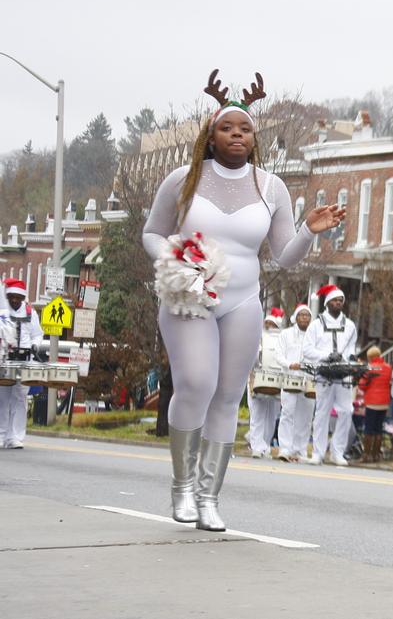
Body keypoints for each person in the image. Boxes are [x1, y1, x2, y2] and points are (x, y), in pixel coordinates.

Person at [142, 71, 345, 531]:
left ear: (255, 139)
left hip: (243, 302)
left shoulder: (271, 187)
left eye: (245, 129)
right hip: (189, 294)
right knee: (194, 383)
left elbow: (285, 258)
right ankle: (182, 487)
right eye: (227, 128)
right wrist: (176, 257)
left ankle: (209, 495)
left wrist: (310, 231)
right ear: (210, 137)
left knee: (228, 396)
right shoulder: (183, 178)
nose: (237, 134)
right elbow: (152, 232)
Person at [302, 284, 358, 466]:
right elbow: (307, 350)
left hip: (343, 373)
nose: (338, 303)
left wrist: (350, 357)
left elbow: (351, 349)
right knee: (322, 412)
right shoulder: (316, 325)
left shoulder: (350, 326)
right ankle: (318, 452)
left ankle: (337, 451)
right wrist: (326, 356)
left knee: (346, 410)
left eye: (340, 300)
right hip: (323, 372)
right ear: (327, 303)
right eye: (334, 300)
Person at [0, 279, 43, 449]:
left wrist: (35, 345)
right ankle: (1, 434)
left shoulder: (30, 312)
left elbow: (37, 334)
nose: (15, 300)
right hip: (5, 360)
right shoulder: (2, 312)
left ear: (22, 297)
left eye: (18, 297)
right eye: (12, 297)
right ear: (8, 296)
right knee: (3, 398)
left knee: (20, 399)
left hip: (25, 360)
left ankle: (15, 437)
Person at [275, 303, 314, 462]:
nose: (305, 318)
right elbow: (278, 354)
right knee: (287, 413)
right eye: (301, 315)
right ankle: (285, 449)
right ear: (295, 317)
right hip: (290, 377)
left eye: (307, 315)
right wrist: (289, 364)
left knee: (305, 416)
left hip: (309, 379)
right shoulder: (286, 334)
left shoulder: (314, 335)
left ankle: (300, 450)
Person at [246, 309, 284, 458]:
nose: (269, 325)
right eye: (267, 323)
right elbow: (251, 356)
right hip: (257, 378)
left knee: (271, 416)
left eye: (272, 323)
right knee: (256, 414)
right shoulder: (258, 336)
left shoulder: (282, 339)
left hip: (276, 381)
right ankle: (256, 446)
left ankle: (265, 445)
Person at [357, 346, 391, 463]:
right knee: (378, 429)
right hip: (384, 402)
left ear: (370, 357)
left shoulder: (370, 368)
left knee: (369, 429)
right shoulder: (388, 368)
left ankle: (366, 455)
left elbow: (362, 384)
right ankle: (376, 455)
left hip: (372, 402)